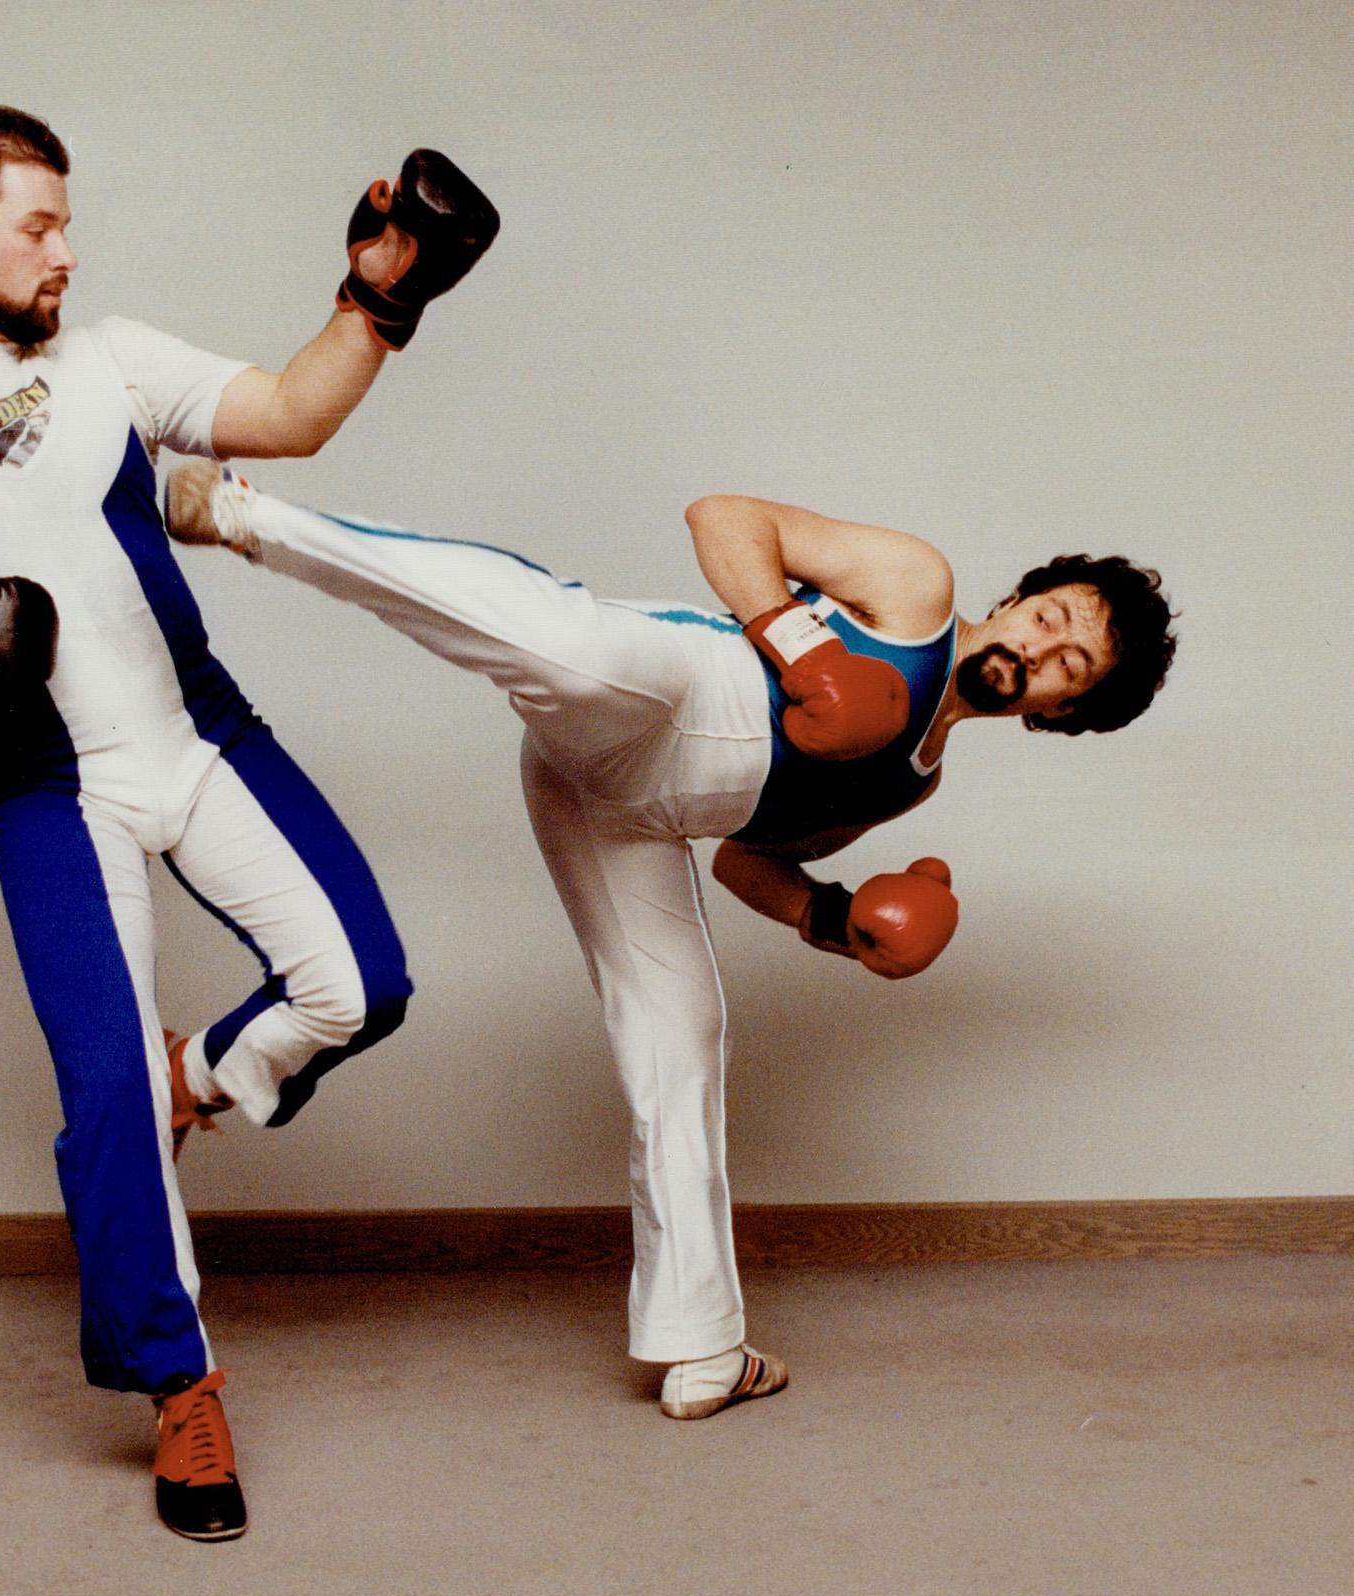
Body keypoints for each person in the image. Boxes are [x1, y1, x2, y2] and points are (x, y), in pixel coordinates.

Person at [0, 104, 497, 1541]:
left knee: (360, 982)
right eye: (40, 224)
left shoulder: (109, 357)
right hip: (49, 788)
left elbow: (290, 414)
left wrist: (379, 297)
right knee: (101, 1104)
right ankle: (180, 1386)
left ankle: (194, 1077)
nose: (67, 253)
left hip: (201, 732)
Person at [162, 459, 1176, 1419]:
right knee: (568, 640)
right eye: (1047, 620)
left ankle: (703, 1347)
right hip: (677, 681)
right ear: (1013, 600)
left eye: (1066, 667)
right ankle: (253, 516)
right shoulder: (914, 589)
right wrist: (804, 646)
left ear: (1061, 712)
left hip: (618, 810)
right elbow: (726, 518)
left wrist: (835, 920)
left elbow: (747, 858)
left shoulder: (915, 778)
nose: (1037, 653)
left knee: (681, 1039)